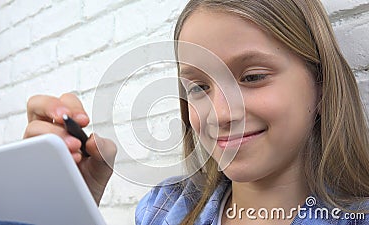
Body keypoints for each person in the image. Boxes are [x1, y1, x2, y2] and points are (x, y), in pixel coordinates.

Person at [22, 0, 369, 224]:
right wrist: (69, 205)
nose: (219, 113)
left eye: (252, 77)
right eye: (199, 87)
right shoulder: (163, 208)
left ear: (320, 83)